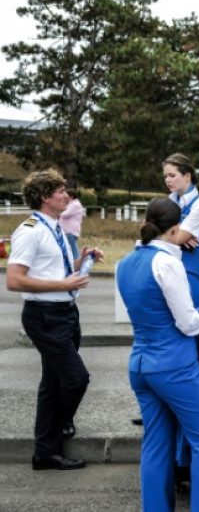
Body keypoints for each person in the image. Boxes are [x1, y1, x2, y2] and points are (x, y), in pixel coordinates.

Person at [116, 197, 199, 511]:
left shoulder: (124, 263)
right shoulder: (167, 262)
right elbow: (187, 322)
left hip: (140, 363)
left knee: (155, 444)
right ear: (176, 227)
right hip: (174, 366)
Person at [6, 169, 103, 470]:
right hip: (44, 316)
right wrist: (63, 285)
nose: (67, 195)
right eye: (61, 191)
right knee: (76, 378)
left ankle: (46, 452)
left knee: (52, 383)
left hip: (65, 313)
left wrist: (82, 260)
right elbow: (14, 280)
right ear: (45, 197)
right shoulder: (30, 230)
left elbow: (52, 269)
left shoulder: (55, 227)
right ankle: (60, 424)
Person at [163, 153, 199, 309]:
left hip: (188, 271)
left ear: (187, 175)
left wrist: (164, 233)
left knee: (188, 328)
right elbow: (146, 231)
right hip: (165, 270)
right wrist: (175, 235)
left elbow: (177, 238)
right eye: (165, 176)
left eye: (172, 175)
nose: (167, 180)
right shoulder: (168, 201)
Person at [60, 188, 84, 261]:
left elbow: (65, 214)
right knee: (70, 250)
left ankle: (78, 268)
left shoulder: (75, 205)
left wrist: (58, 211)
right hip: (67, 231)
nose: (64, 197)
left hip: (70, 231)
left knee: (74, 252)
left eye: (66, 196)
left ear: (71, 196)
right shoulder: (71, 204)